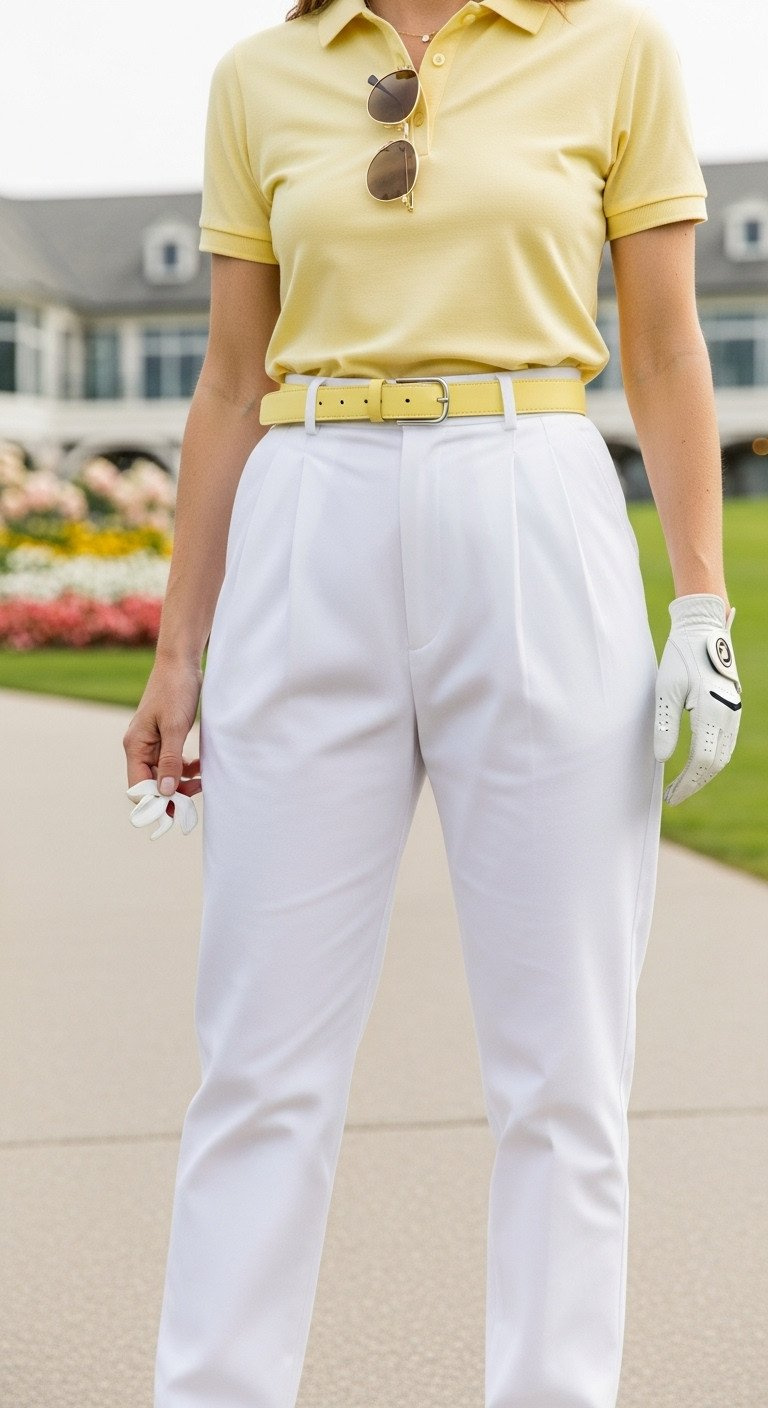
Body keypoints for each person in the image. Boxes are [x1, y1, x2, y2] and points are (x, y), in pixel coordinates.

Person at [122, 1, 743, 1404]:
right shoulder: (260, 75)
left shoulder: (616, 51)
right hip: (307, 509)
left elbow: (662, 348)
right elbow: (227, 379)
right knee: (259, 1056)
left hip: (534, 497)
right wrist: (178, 649)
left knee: (566, 1065)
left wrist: (700, 600)